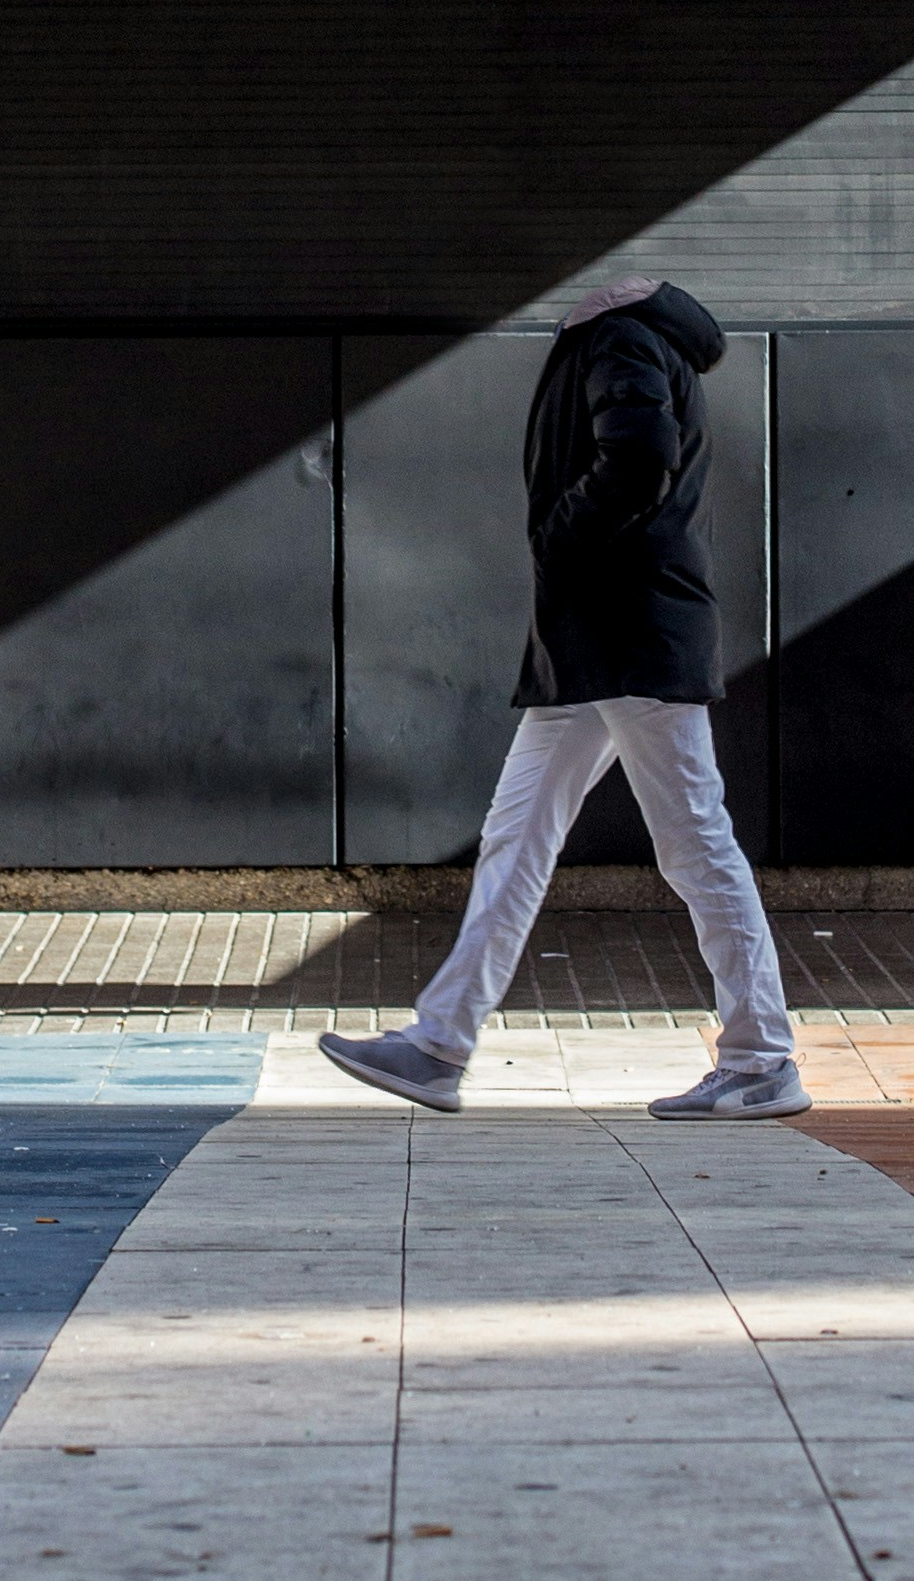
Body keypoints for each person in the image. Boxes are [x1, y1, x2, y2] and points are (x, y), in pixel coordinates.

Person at [322, 276, 809, 1120]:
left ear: (619, 286)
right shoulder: (624, 339)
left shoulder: (621, 339)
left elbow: (639, 456)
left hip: (628, 634)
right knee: (518, 837)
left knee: (694, 843)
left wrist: (559, 540)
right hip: (596, 642)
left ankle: (762, 1057)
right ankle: (438, 1045)